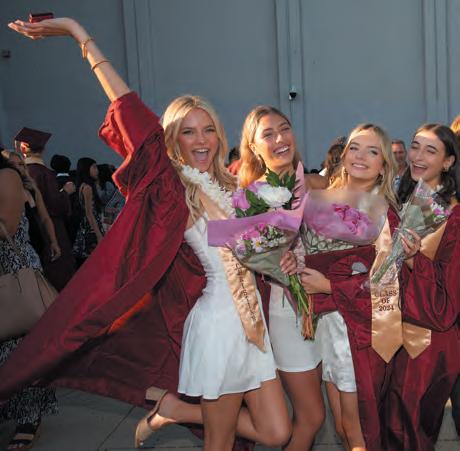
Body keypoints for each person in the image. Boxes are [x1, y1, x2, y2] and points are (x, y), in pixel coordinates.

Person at [4, 17, 292, 451]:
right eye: (188, 131)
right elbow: (130, 111)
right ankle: (174, 409)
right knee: (219, 442)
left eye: (208, 129)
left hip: (253, 326)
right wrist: (80, 36)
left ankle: (174, 409)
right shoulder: (173, 187)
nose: (201, 140)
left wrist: (282, 256)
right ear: (172, 140)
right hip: (218, 326)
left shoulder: (233, 185)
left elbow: (258, 242)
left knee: (276, 431)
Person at [299, 124, 410, 450]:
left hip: (356, 332)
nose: (361, 156)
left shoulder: (385, 213)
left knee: (357, 429)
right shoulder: (319, 200)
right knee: (343, 428)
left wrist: (329, 286)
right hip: (325, 327)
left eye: (372, 151)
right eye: (355, 148)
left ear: (384, 166)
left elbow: (388, 284)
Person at [238, 105, 325, 450]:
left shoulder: (317, 183)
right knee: (312, 417)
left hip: (326, 309)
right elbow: (247, 254)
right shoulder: (250, 198)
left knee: (312, 417)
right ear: (254, 146)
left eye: (284, 128)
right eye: (268, 134)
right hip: (288, 313)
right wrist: (275, 261)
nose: (280, 138)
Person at [386, 124, 460, 450]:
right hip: (389, 331)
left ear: (448, 162)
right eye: (415, 146)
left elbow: (448, 297)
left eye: (431, 151)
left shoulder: (453, 216)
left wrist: (415, 260)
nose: (417, 156)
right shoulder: (397, 200)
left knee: (408, 428)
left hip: (426, 339)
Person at [0, 153, 58, 451]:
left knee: (19, 347)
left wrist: (53, 242)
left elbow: (8, 227)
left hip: (12, 271)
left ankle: (29, 416)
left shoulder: (7, 176)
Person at [15, 127, 76, 290]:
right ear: (43, 149)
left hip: (25, 227)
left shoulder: (19, 173)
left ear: (23, 148)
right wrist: (65, 193)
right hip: (50, 226)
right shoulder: (44, 173)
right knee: (58, 272)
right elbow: (55, 205)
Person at [2, 150, 61, 263]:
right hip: (14, 247)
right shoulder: (6, 191)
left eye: (20, 164)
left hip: (36, 242)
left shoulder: (31, 189)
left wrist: (53, 241)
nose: (18, 167)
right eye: (12, 164)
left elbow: (45, 218)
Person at [73, 158, 104, 265]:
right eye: (94, 167)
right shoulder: (88, 188)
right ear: (87, 169)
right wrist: (98, 234)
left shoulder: (82, 186)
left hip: (86, 226)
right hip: (91, 227)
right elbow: (89, 213)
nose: (97, 170)